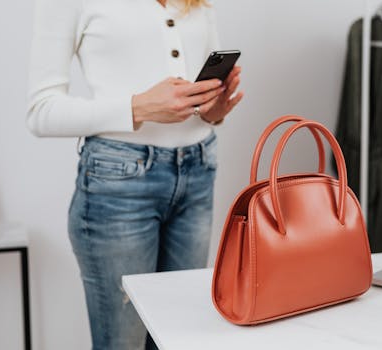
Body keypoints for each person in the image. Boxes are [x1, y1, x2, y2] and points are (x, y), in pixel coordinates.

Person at [26, 0, 243, 348]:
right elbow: (40, 112)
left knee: (181, 338)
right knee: (122, 342)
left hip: (198, 171)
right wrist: (137, 106)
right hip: (118, 186)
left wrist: (213, 111)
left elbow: (201, 99)